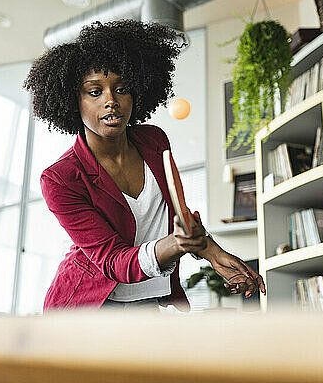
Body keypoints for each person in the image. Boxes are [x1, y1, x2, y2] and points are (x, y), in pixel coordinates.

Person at [23, 19, 265, 312]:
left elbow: (178, 215)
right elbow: (113, 260)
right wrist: (177, 244)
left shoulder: (154, 140)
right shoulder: (60, 178)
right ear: (74, 101)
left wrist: (214, 254)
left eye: (122, 88)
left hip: (147, 299)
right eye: (95, 91)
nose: (111, 100)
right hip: (89, 309)